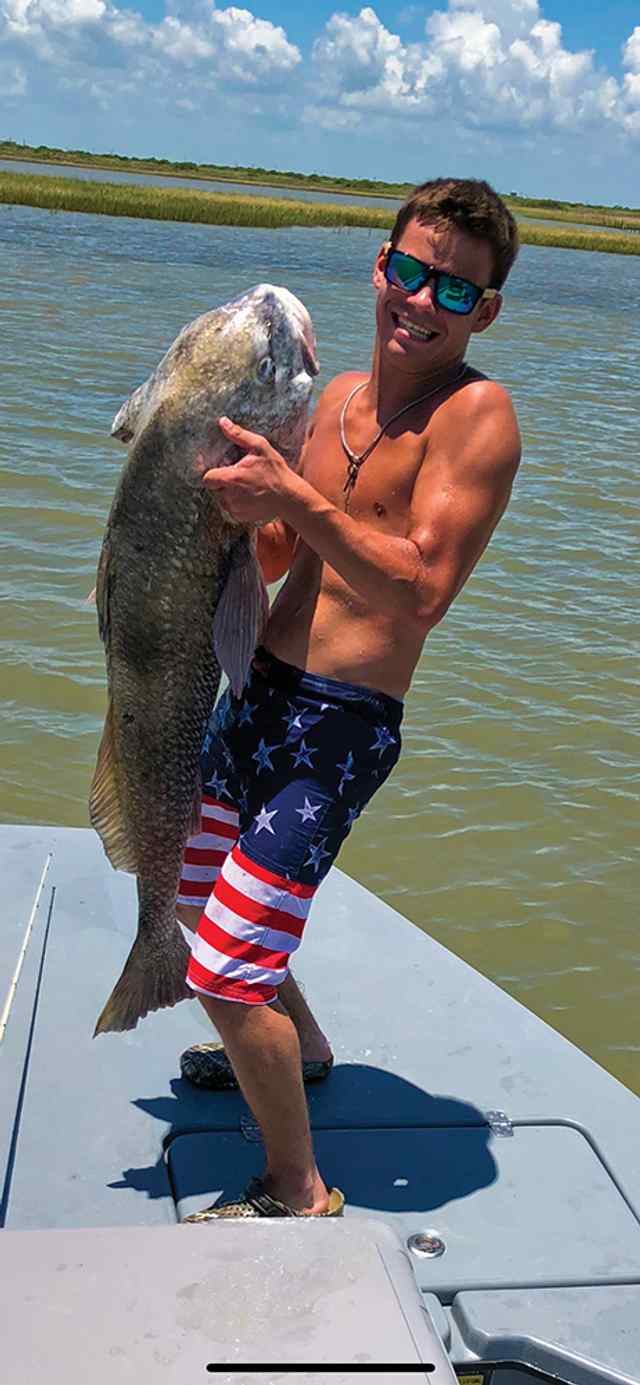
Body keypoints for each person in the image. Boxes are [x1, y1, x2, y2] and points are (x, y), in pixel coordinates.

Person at [176, 176, 521, 1221]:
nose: (421, 301)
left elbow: (419, 592)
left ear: (484, 309)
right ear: (380, 267)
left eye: (453, 289)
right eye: (409, 272)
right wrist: (240, 504)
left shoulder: (478, 418)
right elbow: (287, 550)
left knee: (228, 973)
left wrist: (298, 496)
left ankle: (299, 1188)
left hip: (337, 727)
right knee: (198, 904)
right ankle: (310, 1047)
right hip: (256, 691)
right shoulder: (333, 403)